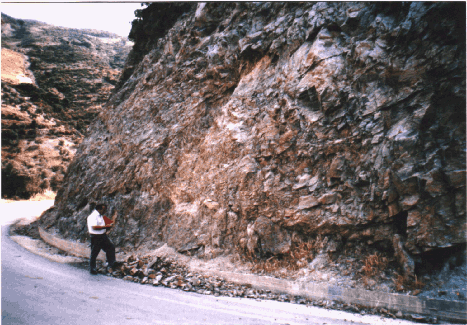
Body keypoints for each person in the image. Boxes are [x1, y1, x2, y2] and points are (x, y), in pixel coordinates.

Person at [87, 203, 117, 275]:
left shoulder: (100, 216)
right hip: (96, 236)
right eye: (104, 210)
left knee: (110, 247)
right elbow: (94, 227)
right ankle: (92, 268)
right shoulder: (93, 216)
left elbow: (101, 225)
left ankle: (111, 264)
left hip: (102, 236)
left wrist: (107, 227)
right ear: (99, 209)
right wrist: (105, 227)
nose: (105, 211)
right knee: (94, 253)